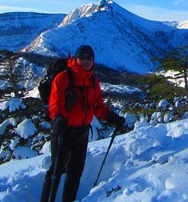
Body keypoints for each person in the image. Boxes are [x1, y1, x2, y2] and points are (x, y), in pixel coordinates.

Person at [40, 45, 125, 202]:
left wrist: (113, 117)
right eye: (82, 57)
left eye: (89, 58)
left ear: (93, 61)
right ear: (75, 59)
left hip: (82, 132)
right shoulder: (63, 77)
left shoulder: (93, 81)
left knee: (75, 172)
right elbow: (55, 103)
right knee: (56, 171)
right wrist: (58, 117)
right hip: (63, 131)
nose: (86, 61)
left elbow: (97, 106)